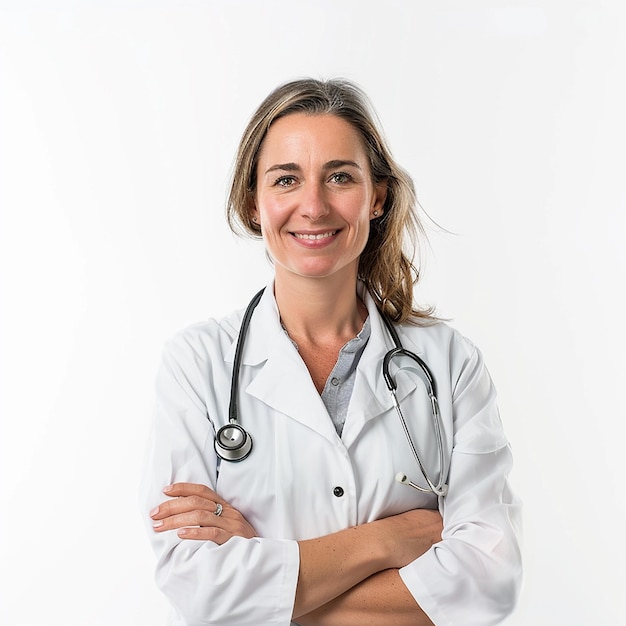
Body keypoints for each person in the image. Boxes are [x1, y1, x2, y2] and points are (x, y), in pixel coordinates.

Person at [140, 78, 522, 626]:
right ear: (254, 203)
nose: (313, 206)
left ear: (378, 197)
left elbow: (490, 584)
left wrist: (271, 577)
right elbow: (197, 589)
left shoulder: (449, 364)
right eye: (286, 179)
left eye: (340, 177)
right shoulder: (197, 365)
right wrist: (389, 540)